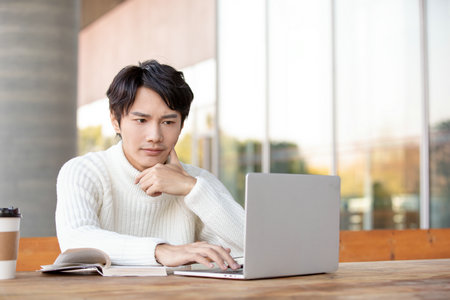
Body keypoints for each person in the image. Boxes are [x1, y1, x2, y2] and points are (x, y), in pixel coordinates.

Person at [55, 60, 244, 270]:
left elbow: (252, 247)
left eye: (168, 122)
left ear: (181, 125)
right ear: (115, 121)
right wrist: (161, 251)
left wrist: (192, 189)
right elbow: (76, 240)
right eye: (141, 121)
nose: (155, 136)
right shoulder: (85, 171)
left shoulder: (197, 182)